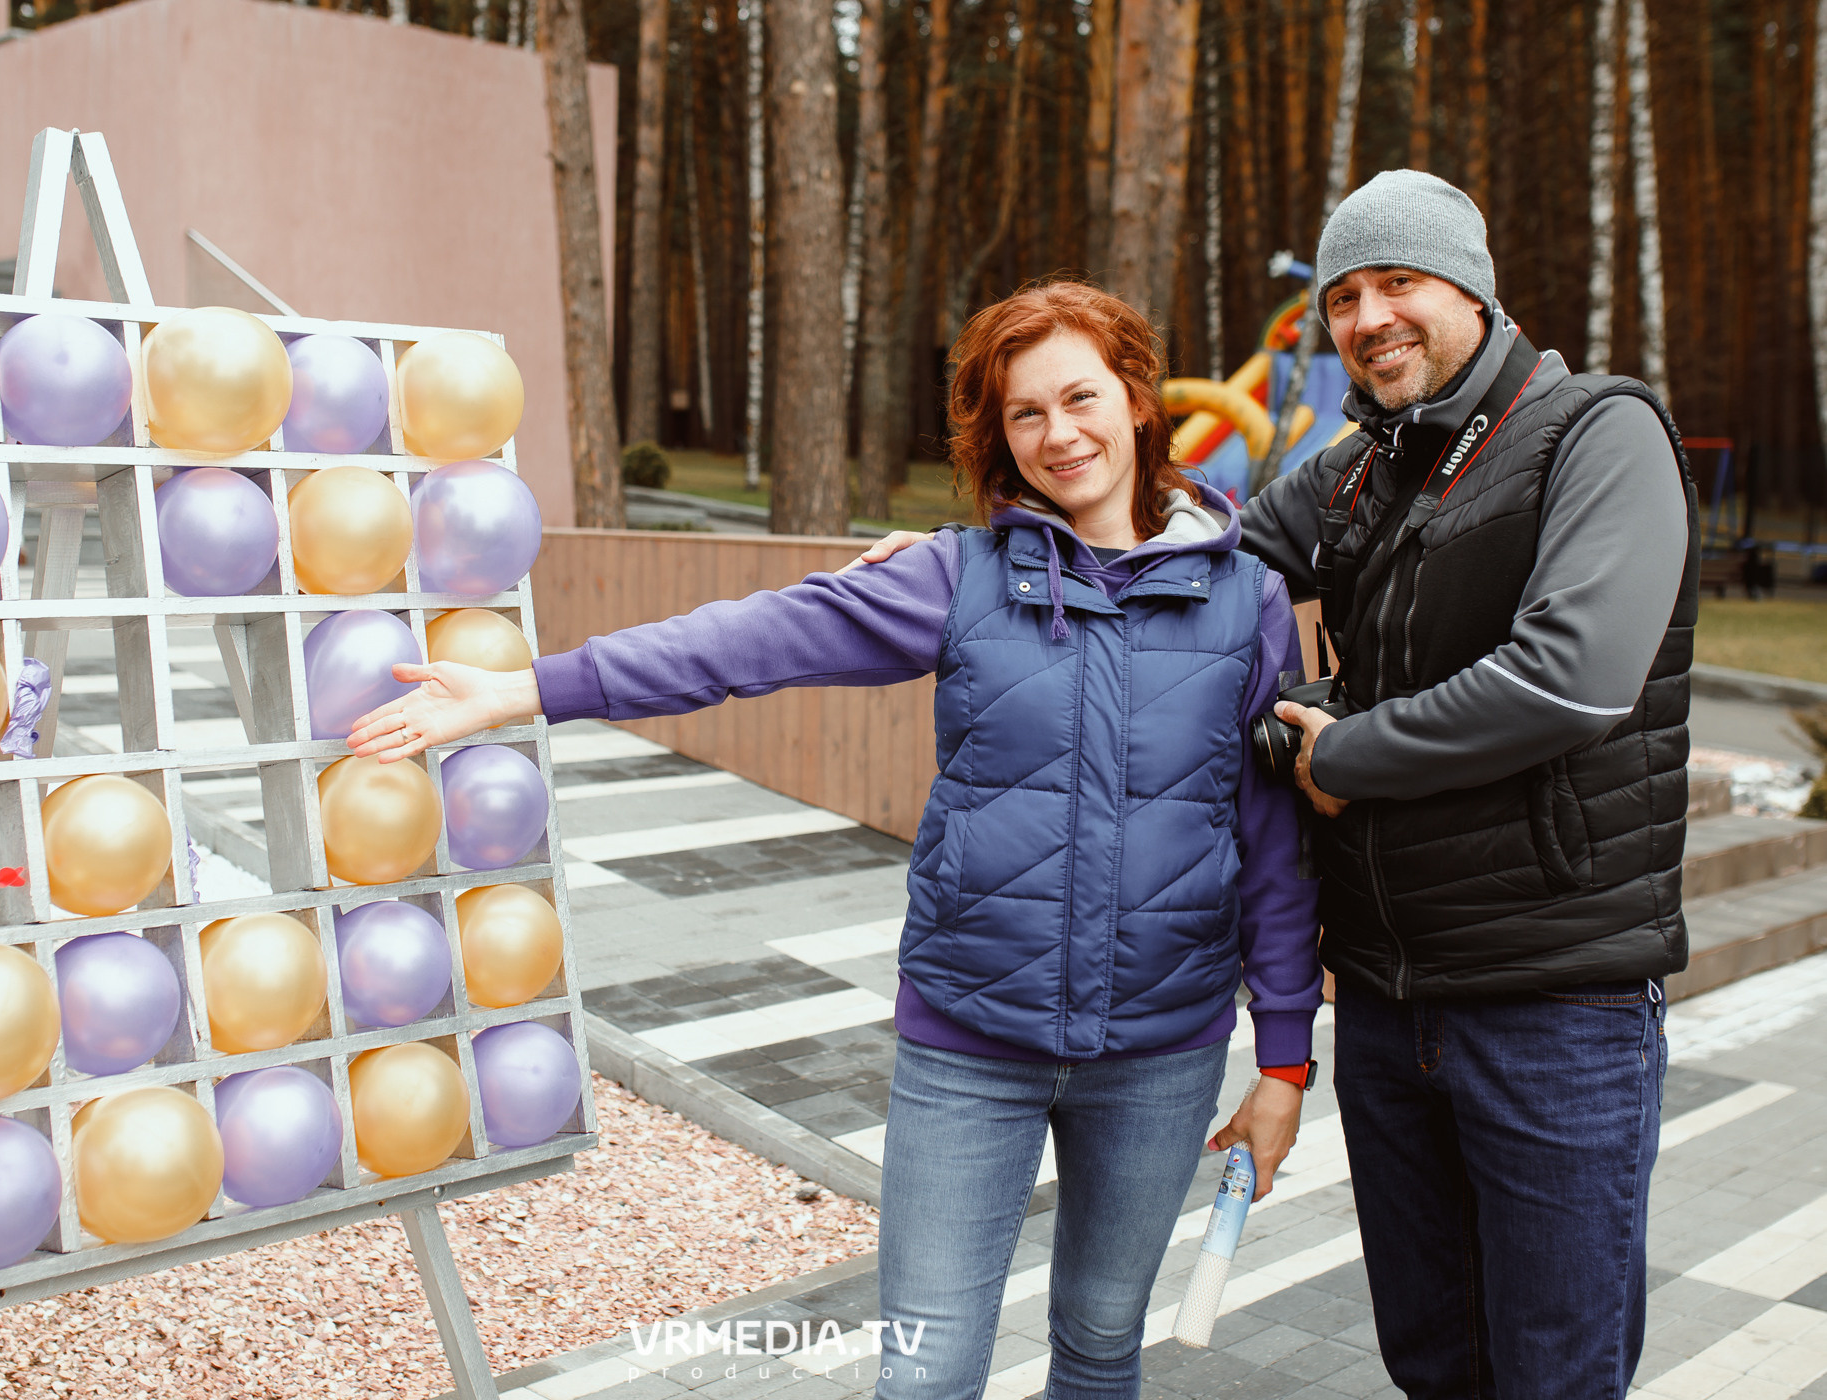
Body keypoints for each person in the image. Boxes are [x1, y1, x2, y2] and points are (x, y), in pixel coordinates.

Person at [350, 282, 1323, 1399]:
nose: (1059, 434)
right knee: (924, 1372)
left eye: (1081, 398)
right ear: (998, 436)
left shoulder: (1245, 599)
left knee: (1103, 1345)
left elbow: (1272, 841)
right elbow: (742, 642)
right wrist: (524, 688)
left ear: (1139, 399)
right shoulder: (960, 577)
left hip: (1163, 1050)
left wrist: (1283, 1059)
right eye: (1025, 413)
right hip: (971, 1047)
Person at [861, 171, 1699, 1398]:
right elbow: (1172, 546)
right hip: (1394, 998)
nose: (1368, 317)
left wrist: (1340, 752)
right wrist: (984, 553)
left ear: (1472, 288)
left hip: (1554, 994)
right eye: (1345, 296)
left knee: (1554, 1364)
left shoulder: (1596, 432)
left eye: (1399, 283)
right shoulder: (1360, 471)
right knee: (1435, 1354)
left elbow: (1570, 682)